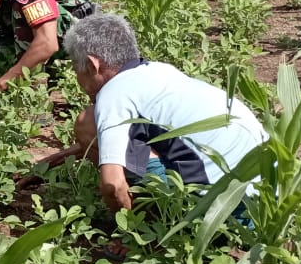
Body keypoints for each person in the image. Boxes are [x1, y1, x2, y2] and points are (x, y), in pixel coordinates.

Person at [59, 13, 267, 212]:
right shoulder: (160, 71)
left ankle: (150, 224)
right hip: (262, 203)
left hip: (213, 211)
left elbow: (112, 185)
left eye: (76, 69)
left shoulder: (114, 94)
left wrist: (127, 226)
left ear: (91, 64)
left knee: (88, 123)